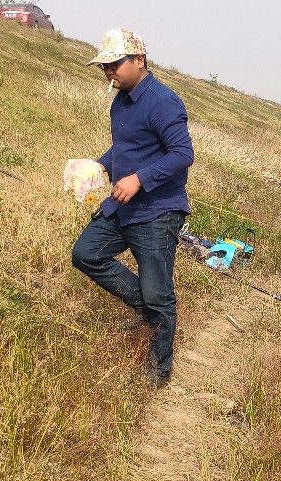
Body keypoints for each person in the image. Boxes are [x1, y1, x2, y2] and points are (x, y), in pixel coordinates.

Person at [71, 28, 194, 388]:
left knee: (159, 291)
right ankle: (149, 309)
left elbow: (182, 155)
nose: (109, 72)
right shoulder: (121, 101)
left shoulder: (162, 101)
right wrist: (101, 166)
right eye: (104, 67)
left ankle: (158, 369)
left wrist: (139, 179)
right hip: (122, 206)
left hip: (157, 211)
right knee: (86, 253)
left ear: (138, 60)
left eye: (114, 64)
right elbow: (128, 148)